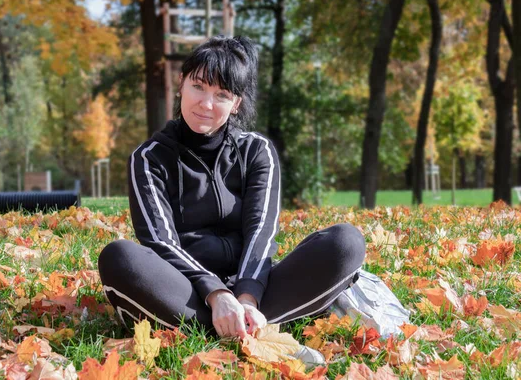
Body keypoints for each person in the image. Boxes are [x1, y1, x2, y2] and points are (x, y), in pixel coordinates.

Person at [98, 35, 365, 343]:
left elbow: (261, 233)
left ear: (236, 103)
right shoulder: (148, 158)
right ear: (181, 83)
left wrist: (248, 296)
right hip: (186, 291)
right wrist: (217, 293)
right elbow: (160, 242)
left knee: (346, 242)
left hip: (257, 288)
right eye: (198, 86)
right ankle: (242, 327)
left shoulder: (257, 151)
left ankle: (234, 323)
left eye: (221, 94)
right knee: (119, 257)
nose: (206, 104)